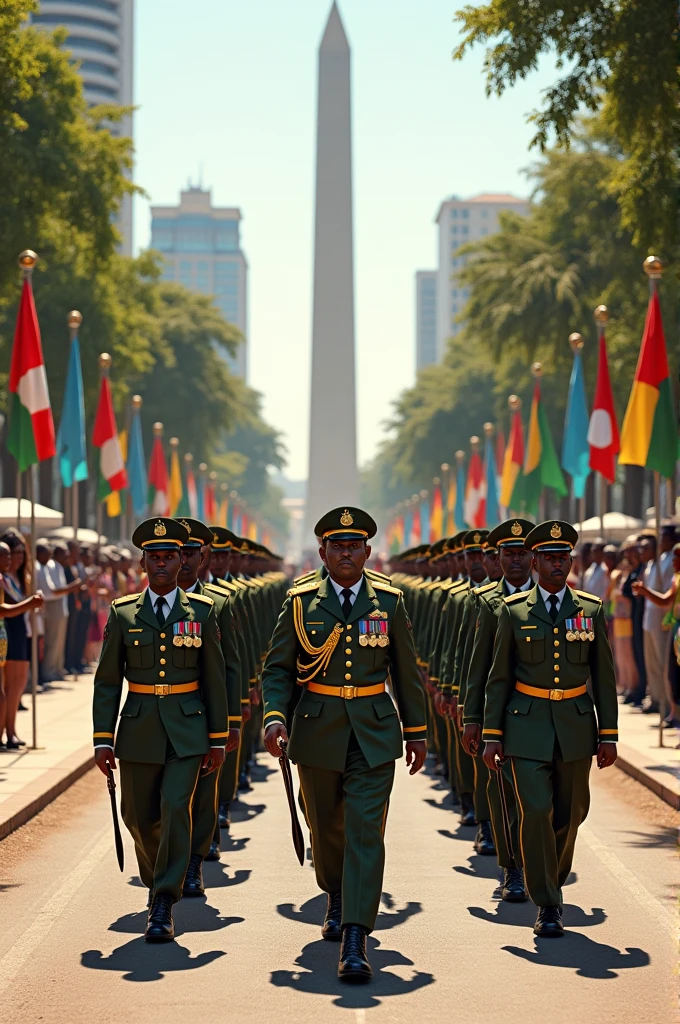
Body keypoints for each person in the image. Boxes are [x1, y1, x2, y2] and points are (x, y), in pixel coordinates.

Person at [263, 506, 427, 982]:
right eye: (338, 546)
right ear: (323, 552)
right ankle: (334, 892)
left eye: (354, 546)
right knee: (325, 827)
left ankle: (355, 932)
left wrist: (415, 731)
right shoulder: (299, 601)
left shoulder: (390, 602)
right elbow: (277, 669)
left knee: (363, 830)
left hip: (374, 732)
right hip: (316, 729)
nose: (347, 553)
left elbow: (405, 670)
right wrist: (275, 718)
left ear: (367, 552)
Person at [92, 517, 228, 943]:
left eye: (171, 555)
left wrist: (218, 738)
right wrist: (102, 737)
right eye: (156, 556)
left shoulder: (202, 613)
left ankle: (163, 901)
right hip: (138, 728)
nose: (164, 563)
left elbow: (215, 680)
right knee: (136, 814)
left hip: (187, 731)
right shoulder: (124, 612)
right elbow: (108, 680)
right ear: (144, 562)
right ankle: (157, 880)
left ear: (181, 559)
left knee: (174, 807)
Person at [482, 520, 618, 938]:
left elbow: (604, 675)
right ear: (536, 562)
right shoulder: (513, 610)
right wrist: (491, 733)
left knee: (571, 814)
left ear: (571, 561)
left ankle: (552, 880)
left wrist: (608, 733)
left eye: (565, 557)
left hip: (576, 727)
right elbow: (498, 677)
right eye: (550, 558)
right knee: (536, 810)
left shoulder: (590, 610)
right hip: (526, 727)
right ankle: (547, 901)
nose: (558, 565)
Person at [461, 518, 534, 902]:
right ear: (499, 558)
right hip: (501, 714)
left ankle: (540, 863)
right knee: (504, 791)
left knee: (550, 801)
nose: (517, 560)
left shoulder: (561, 597)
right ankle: (513, 868)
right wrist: (471, 715)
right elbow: (475, 663)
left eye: (524, 553)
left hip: (546, 715)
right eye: (510, 553)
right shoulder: (486, 601)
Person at [173, 517, 241, 892]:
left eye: (190, 553)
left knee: (201, 792)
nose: (183, 561)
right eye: (176, 553)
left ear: (204, 556)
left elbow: (231, 665)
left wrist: (232, 718)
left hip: (203, 714)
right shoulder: (146, 603)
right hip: (160, 714)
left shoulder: (218, 603)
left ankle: (194, 861)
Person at [0, 537, 44, 749]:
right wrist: (30, 603)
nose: (16, 557)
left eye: (19, 553)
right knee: (7, 688)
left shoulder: (19, 578)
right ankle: (4, 731)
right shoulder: (3, 579)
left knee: (17, 687)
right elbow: (7, 609)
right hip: (8, 633)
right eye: (11, 553)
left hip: (22, 632)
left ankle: (11, 730)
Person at [632, 541, 680, 728]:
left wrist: (645, 591)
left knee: (673, 672)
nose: (674, 561)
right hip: (675, 627)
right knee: (671, 673)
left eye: (678, 557)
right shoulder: (676, 578)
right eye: (674, 556)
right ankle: (673, 712)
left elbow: (665, 600)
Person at [36, 543, 80, 683]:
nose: (67, 557)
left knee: (59, 642)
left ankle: (56, 669)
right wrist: (72, 587)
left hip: (61, 607)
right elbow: (52, 591)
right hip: (53, 606)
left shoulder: (58, 566)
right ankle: (49, 672)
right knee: (52, 641)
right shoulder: (47, 566)